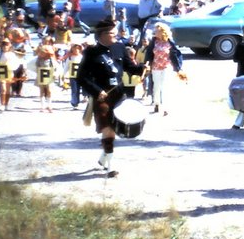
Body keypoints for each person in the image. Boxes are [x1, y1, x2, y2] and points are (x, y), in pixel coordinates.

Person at [76, 18, 146, 178]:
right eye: (112, 33)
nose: (115, 35)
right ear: (102, 35)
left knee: (114, 129)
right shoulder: (91, 52)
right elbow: (81, 77)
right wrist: (96, 90)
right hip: (101, 97)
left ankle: (104, 157)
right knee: (107, 129)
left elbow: (130, 67)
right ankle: (110, 167)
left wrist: (142, 68)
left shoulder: (120, 48)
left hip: (118, 95)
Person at [145, 23, 184, 116]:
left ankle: (166, 107)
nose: (155, 32)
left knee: (165, 86)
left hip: (167, 66)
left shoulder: (170, 42)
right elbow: (149, 53)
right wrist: (147, 63)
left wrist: (178, 68)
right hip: (156, 67)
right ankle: (157, 103)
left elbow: (175, 55)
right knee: (157, 86)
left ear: (162, 31)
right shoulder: (154, 41)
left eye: (157, 31)